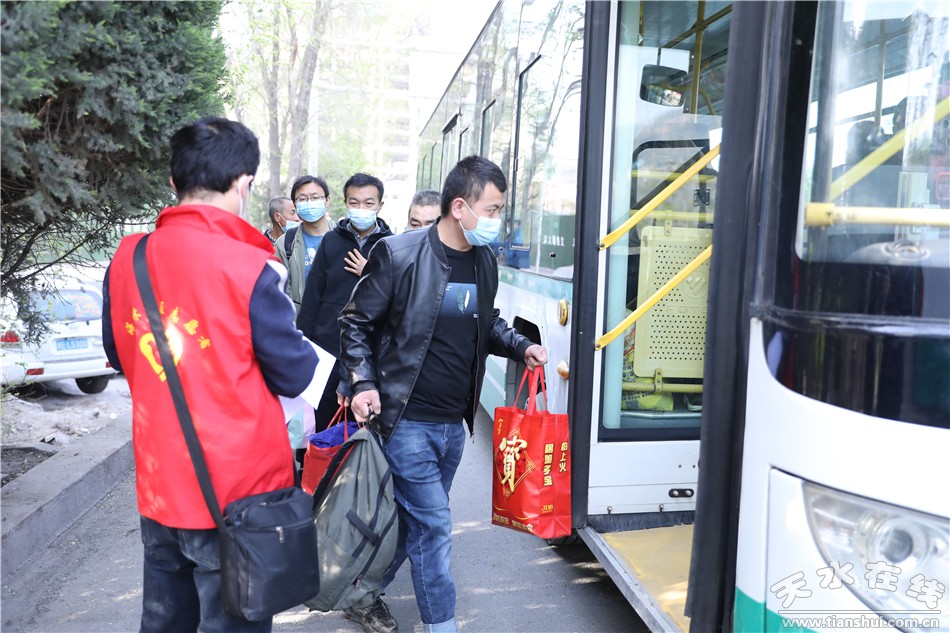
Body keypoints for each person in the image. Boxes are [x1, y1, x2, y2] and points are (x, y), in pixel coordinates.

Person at [100, 117, 328, 633]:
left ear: (173, 182)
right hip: (237, 495)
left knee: (164, 620)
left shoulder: (128, 258)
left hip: (161, 481)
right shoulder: (250, 266)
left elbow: (119, 353)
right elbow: (294, 374)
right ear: (244, 184)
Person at [337, 155, 548, 633]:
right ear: (460, 207)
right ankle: (442, 625)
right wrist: (363, 383)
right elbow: (355, 322)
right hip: (407, 419)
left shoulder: (484, 259)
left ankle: (361, 594)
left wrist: (522, 345)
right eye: (491, 209)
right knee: (433, 526)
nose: (496, 220)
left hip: (454, 424)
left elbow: (486, 321)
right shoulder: (399, 254)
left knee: (415, 522)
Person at [296, 172, 392, 430]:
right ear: (345, 203)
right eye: (354, 202)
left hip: (371, 355)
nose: (361, 208)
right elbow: (313, 297)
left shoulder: (391, 245)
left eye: (368, 203)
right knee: (324, 430)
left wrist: (370, 274)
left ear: (380, 205)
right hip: (327, 352)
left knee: (364, 432)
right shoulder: (331, 240)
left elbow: (399, 303)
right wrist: (303, 347)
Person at [275, 175, 333, 312]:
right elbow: (278, 290)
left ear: (326, 200)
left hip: (337, 320)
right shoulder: (284, 244)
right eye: (302, 199)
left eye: (315, 197)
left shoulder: (344, 238)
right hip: (300, 319)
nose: (309, 203)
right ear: (295, 204)